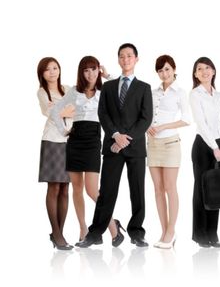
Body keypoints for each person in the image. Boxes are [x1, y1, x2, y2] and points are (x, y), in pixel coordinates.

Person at [77, 43, 153, 248]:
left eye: (129, 56)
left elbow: (146, 119)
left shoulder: (144, 88)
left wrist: (126, 139)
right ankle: (95, 233)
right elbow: (103, 114)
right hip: (112, 146)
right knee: (107, 192)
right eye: (122, 56)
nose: (125, 59)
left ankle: (136, 232)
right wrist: (116, 135)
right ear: (118, 59)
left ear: (136, 59)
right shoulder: (109, 87)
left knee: (137, 191)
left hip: (135, 148)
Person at [51, 56, 123, 246]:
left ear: (98, 70)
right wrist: (63, 130)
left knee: (92, 190)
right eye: (86, 70)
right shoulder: (75, 91)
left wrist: (107, 75)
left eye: (93, 69)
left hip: (92, 141)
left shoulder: (105, 90)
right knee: (77, 188)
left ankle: (113, 226)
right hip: (75, 141)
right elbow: (55, 110)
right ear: (81, 73)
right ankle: (83, 229)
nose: (90, 73)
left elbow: (123, 87)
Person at [148, 55, 191, 249]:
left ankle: (171, 230)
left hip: (171, 143)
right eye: (160, 70)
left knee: (170, 187)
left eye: (166, 69)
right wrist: (148, 125)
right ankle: (164, 231)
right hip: (152, 143)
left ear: (173, 69)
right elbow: (145, 113)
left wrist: (165, 125)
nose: (163, 74)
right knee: (157, 189)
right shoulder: (152, 91)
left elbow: (187, 119)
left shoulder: (180, 92)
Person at [189, 56, 220, 248]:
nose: (204, 71)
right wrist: (214, 147)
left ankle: (213, 233)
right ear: (196, 75)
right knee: (202, 190)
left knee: (216, 191)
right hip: (204, 146)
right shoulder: (195, 94)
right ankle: (200, 234)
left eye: (207, 68)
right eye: (200, 69)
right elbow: (201, 123)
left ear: (213, 71)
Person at [37, 57, 73, 250]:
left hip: (70, 142)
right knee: (54, 188)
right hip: (52, 140)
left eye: (55, 68)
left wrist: (62, 110)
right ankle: (56, 233)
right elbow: (49, 112)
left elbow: (78, 110)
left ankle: (59, 233)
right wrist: (64, 110)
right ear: (42, 73)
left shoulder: (67, 89)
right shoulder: (43, 92)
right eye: (47, 69)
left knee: (66, 189)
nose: (52, 72)